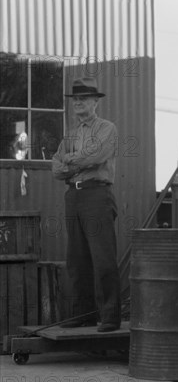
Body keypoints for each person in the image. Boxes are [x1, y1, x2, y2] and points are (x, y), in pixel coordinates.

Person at [51, 77, 121, 333]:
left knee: (102, 257)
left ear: (95, 102)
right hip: (74, 196)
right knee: (77, 259)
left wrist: (71, 161)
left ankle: (111, 316)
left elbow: (97, 155)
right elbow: (56, 168)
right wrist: (74, 162)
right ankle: (84, 315)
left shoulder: (107, 129)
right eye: (75, 99)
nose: (78, 103)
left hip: (96, 196)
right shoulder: (71, 135)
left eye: (83, 99)